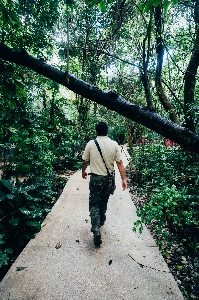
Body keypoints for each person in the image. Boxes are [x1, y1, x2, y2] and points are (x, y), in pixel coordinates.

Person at [82, 122, 127, 246]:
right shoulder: (114, 144)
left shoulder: (90, 144)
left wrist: (83, 172)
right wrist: (124, 179)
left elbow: (85, 161)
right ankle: (101, 220)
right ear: (107, 131)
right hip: (109, 180)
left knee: (94, 202)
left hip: (96, 179)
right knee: (104, 200)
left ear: (96, 131)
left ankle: (96, 228)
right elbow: (120, 163)